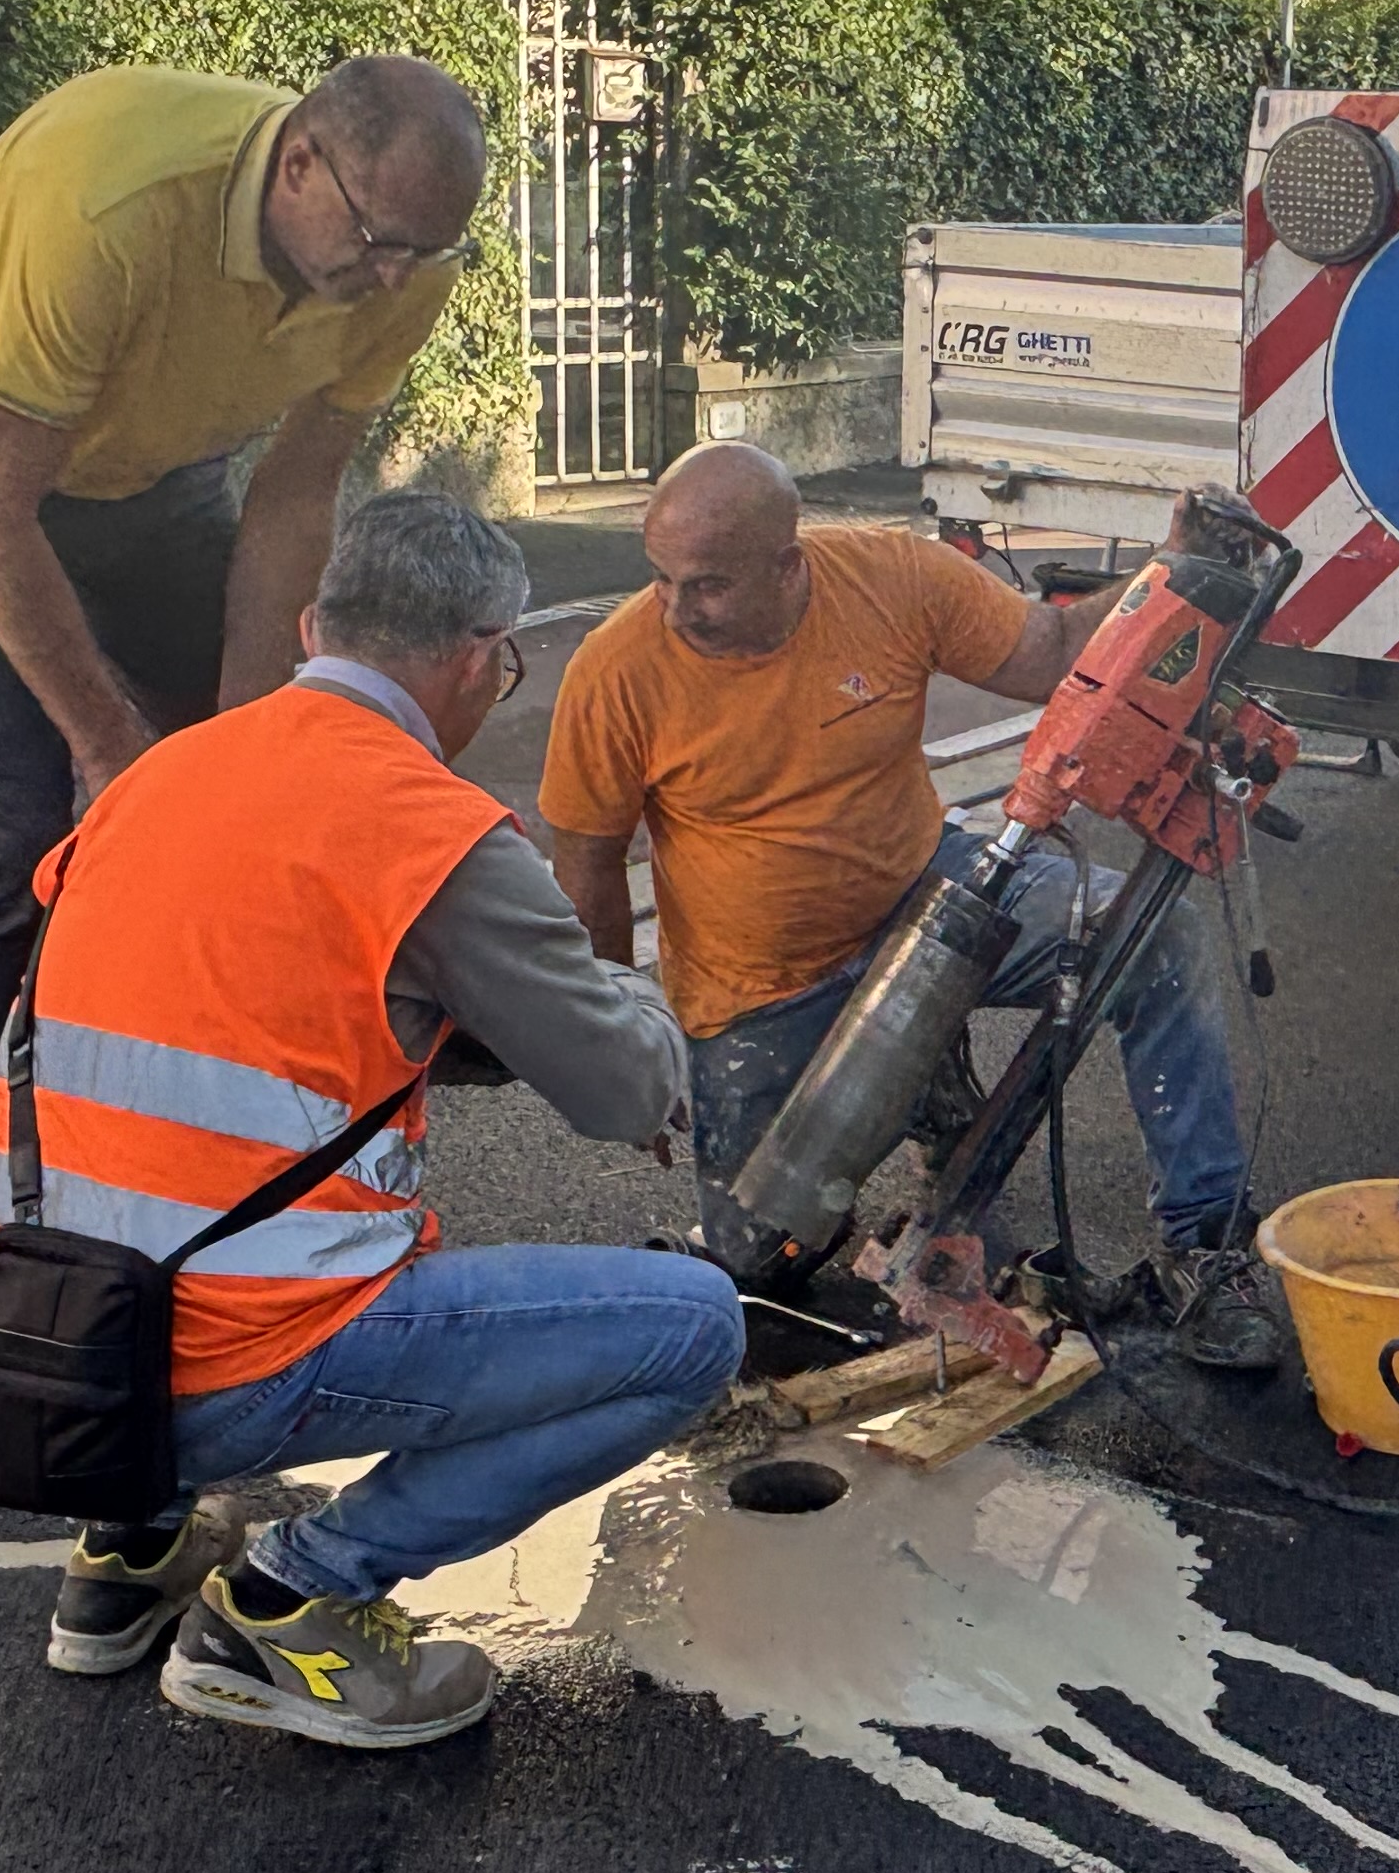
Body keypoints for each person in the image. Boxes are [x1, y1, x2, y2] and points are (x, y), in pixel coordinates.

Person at [0, 489, 724, 1752]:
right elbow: (621, 1091)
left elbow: (225, 1015)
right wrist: (637, 1013)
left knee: (170, 1201)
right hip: (225, 1363)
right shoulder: (432, 832)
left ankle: (129, 1549)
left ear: (312, 626)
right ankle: (295, 1597)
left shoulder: (156, 778)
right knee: (693, 1331)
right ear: (481, 658)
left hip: (20, 1331)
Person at [0, 57, 485, 1131]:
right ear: (301, 163)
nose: (395, 281)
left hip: (150, 468)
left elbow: (293, 496)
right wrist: (107, 747)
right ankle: (3, 1201)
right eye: (379, 246)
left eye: (427, 252)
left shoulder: (405, 260)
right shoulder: (109, 207)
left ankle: (223, 1105)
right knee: (31, 822)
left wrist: (245, 749)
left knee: (268, 777)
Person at [537, 444, 1287, 1371]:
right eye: (663, 580)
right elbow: (591, 866)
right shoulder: (617, 670)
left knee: (1154, 940)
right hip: (760, 984)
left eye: (707, 586)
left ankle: (1205, 1242)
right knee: (762, 1266)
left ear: (788, 561)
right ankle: (928, 1088)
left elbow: (1053, 653)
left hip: (928, 888)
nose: (676, 607)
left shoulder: (888, 577)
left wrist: (1175, 571)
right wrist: (626, 1041)